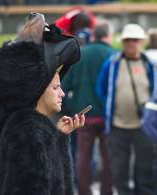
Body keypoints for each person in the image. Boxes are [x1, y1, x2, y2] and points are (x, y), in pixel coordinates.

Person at [0, 13, 84, 195]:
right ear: (37, 90)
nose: (63, 93)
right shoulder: (29, 132)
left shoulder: (25, 127)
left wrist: (57, 137)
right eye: (56, 87)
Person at [97, 23, 157, 195]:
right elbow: (101, 89)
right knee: (119, 170)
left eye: (135, 40)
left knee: (146, 168)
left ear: (141, 42)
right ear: (123, 42)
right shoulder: (112, 64)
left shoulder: (151, 65)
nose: (131, 43)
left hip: (144, 126)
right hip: (118, 126)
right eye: (127, 40)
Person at [61, 20, 115, 195]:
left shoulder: (80, 55)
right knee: (108, 158)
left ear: (93, 35)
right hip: (108, 116)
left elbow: (63, 86)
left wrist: (69, 110)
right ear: (108, 35)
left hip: (83, 114)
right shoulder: (115, 55)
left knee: (83, 157)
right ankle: (107, 191)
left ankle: (84, 191)